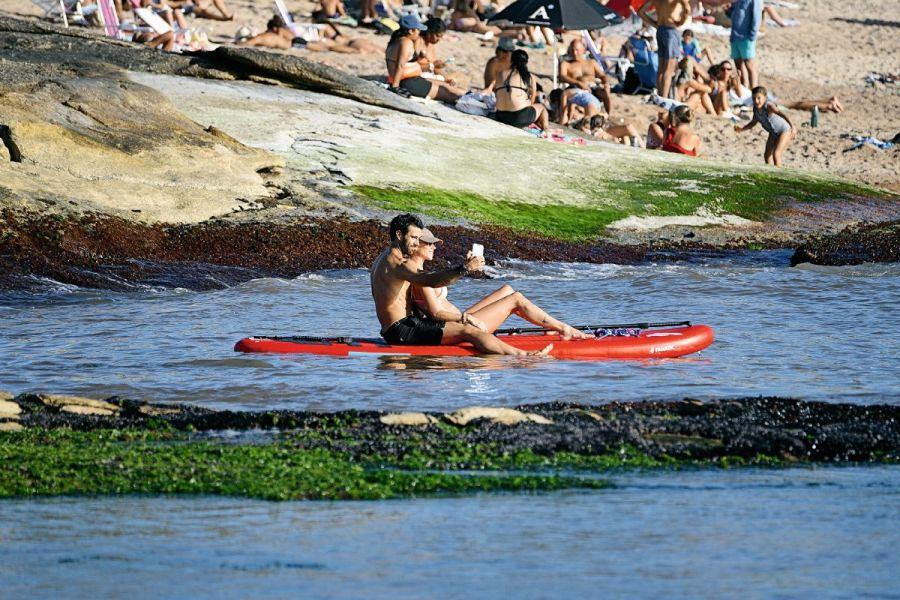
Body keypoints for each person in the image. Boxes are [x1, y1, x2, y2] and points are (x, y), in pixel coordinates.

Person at [370, 214, 554, 355]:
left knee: (464, 326)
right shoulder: (398, 264)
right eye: (413, 238)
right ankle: (524, 356)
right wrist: (464, 268)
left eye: (419, 239)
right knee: (468, 330)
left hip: (397, 329)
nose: (416, 243)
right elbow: (431, 281)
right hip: (403, 330)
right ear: (399, 234)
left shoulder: (382, 258)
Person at [406, 228, 590, 340]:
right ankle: (563, 328)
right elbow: (435, 313)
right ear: (416, 246)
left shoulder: (424, 275)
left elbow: (444, 282)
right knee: (516, 299)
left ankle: (547, 325)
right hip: (462, 327)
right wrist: (467, 318)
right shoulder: (420, 278)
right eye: (429, 244)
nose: (434, 247)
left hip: (463, 320)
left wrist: (466, 267)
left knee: (507, 290)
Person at [386, 14, 464, 101]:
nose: (419, 32)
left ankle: (471, 97)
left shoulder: (398, 40)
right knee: (449, 94)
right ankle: (473, 99)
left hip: (413, 79)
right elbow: (400, 65)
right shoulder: (406, 42)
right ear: (411, 31)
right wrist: (395, 87)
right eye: (418, 30)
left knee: (448, 88)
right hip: (409, 82)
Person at [483, 49, 549, 130]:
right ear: (526, 62)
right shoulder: (529, 76)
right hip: (518, 117)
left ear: (512, 60)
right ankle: (546, 129)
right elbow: (532, 101)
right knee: (541, 107)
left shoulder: (500, 73)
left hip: (501, 116)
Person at [639, 0, 691, 99]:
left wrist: (655, 24)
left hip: (660, 30)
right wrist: (681, 22)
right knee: (669, 70)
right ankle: (664, 99)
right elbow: (687, 9)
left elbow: (640, 12)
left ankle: (659, 97)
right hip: (671, 31)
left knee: (661, 69)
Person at [239, 16, 378, 53]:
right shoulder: (287, 28)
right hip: (307, 38)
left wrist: (244, 40)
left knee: (329, 47)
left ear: (274, 28)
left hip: (302, 42)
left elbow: (255, 41)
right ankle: (360, 49)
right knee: (334, 45)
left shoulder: (276, 33)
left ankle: (358, 50)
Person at [735, 86, 794, 166]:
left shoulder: (769, 106)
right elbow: (753, 123)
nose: (756, 101)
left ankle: (779, 176)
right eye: (754, 98)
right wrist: (742, 129)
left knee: (776, 154)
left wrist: (792, 126)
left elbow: (781, 113)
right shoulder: (755, 109)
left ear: (765, 98)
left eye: (759, 98)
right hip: (773, 133)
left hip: (785, 131)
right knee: (767, 156)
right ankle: (770, 175)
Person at [559, 38, 612, 115]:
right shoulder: (566, 64)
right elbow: (562, 76)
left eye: (577, 50)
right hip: (575, 88)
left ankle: (607, 116)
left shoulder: (591, 63)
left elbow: (602, 75)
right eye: (572, 50)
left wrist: (606, 83)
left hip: (593, 88)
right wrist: (578, 83)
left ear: (583, 50)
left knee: (606, 92)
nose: (574, 53)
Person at [727, 0, 762, 88]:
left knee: (750, 65)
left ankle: (754, 90)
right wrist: (727, 10)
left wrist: (752, 36)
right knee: (739, 65)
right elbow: (734, 14)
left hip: (746, 37)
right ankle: (744, 90)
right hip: (735, 36)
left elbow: (757, 17)